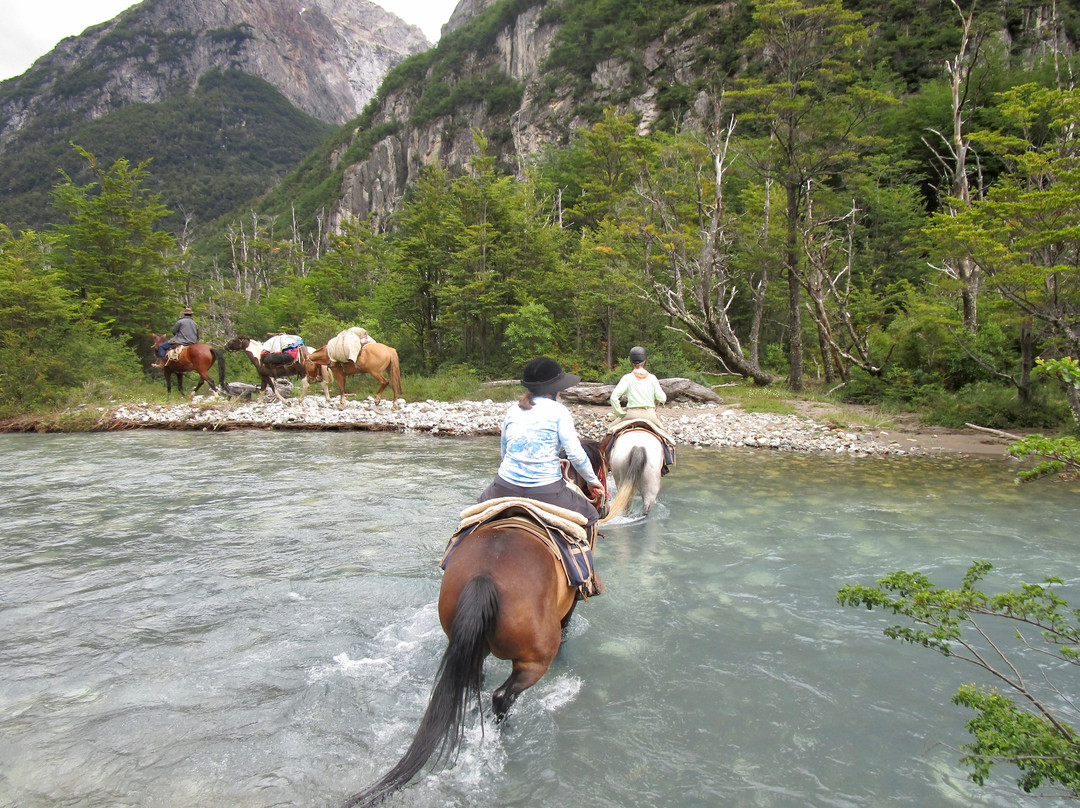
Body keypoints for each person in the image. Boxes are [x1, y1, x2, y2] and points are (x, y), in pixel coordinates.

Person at [478, 356, 605, 532]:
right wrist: (592, 482)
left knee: (475, 516)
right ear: (555, 390)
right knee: (590, 515)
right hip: (546, 490)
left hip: (504, 486)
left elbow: (505, 452)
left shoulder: (513, 410)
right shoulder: (559, 411)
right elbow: (575, 454)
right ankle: (581, 560)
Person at [609, 345, 666, 428]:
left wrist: (620, 413)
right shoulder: (652, 378)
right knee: (665, 434)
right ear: (645, 362)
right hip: (650, 415)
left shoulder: (627, 378)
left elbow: (613, 397)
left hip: (632, 415)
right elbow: (663, 398)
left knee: (610, 429)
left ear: (631, 362)